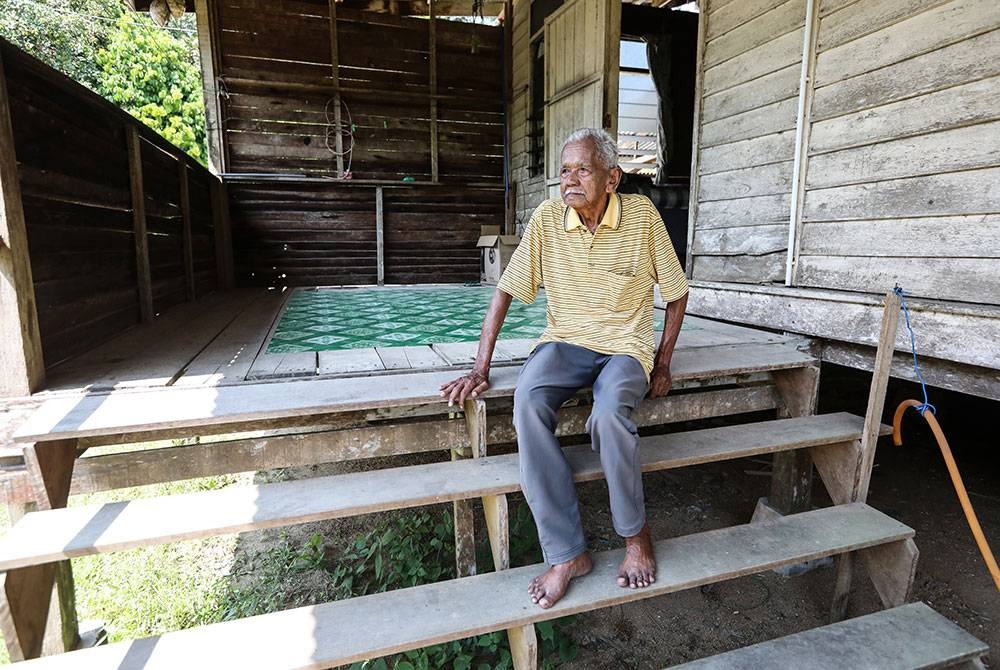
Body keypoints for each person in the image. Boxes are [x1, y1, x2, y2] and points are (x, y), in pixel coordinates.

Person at [440, 127, 688, 609]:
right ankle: (568, 554)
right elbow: (506, 290)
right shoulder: (548, 219)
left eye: (583, 169)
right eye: (564, 170)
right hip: (564, 342)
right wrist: (479, 367)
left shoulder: (643, 218)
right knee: (528, 400)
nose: (569, 180)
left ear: (612, 178)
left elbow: (676, 292)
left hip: (624, 347)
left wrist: (662, 362)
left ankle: (635, 537)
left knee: (610, 416)